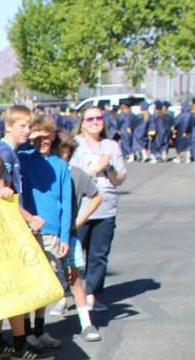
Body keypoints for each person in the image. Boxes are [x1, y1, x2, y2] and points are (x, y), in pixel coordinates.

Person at [0, 106, 56, 360]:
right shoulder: (4, 153)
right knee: (12, 287)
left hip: (13, 227)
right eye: (23, 127)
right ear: (9, 126)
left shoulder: (13, 153)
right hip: (8, 229)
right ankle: (16, 342)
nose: (28, 131)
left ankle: (4, 340)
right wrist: (30, 218)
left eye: (29, 127)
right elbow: (3, 195)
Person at [18, 116, 71, 349]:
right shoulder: (24, 159)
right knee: (29, 281)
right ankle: (26, 330)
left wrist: (65, 235)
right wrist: (29, 139)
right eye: (38, 136)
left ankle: (40, 329)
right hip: (28, 229)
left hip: (51, 231)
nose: (43, 141)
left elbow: (67, 203)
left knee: (46, 282)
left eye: (47, 136)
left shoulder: (60, 165)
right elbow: (8, 151)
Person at [71, 105, 126, 311]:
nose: (95, 122)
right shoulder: (75, 146)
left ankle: (92, 294)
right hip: (81, 207)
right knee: (74, 254)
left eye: (99, 118)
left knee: (99, 255)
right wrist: (96, 168)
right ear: (82, 123)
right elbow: (73, 176)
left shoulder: (111, 146)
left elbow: (120, 179)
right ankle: (68, 295)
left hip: (106, 207)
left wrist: (109, 167)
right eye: (90, 119)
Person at [53, 130, 102, 341]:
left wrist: (79, 220)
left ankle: (86, 323)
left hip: (69, 234)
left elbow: (97, 196)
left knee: (75, 279)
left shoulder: (77, 174)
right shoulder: (45, 173)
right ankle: (34, 329)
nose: (60, 155)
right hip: (46, 234)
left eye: (63, 151)